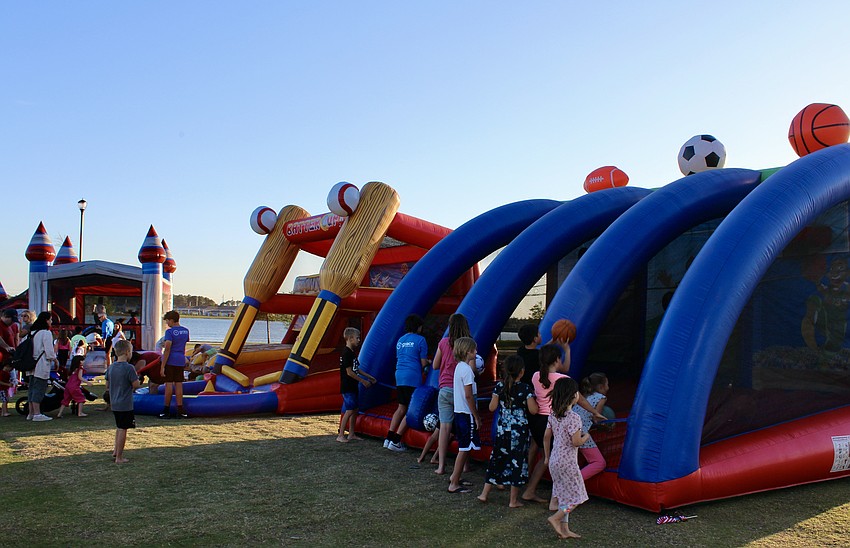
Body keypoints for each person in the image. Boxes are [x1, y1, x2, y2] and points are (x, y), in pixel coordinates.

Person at [523, 343, 604, 505]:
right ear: (557, 360)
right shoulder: (563, 380)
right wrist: (595, 412)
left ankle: (531, 490)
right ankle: (546, 495)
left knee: (546, 457)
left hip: (538, 420)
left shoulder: (535, 376)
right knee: (558, 460)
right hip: (554, 419)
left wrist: (565, 350)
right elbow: (581, 400)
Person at [477, 354, 539, 507]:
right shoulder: (525, 389)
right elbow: (533, 410)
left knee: (497, 459)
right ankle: (513, 500)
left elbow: (492, 407)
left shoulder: (499, 386)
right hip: (519, 433)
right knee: (517, 462)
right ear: (522, 372)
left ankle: (484, 493)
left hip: (502, 431)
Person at [544, 377, 589, 539]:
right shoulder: (574, 418)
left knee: (564, 495)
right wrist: (586, 436)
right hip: (568, 463)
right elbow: (576, 442)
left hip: (555, 461)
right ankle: (556, 518)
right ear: (573, 395)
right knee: (578, 496)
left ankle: (565, 530)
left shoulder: (553, 414)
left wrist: (547, 457)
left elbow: (546, 437)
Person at [431, 313, 471, 474]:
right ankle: (465, 465)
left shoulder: (443, 343)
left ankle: (441, 466)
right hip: (461, 389)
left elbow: (435, 365)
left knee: (444, 428)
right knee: (464, 426)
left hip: (445, 388)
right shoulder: (468, 344)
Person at [384, 314, 430, 451]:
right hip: (412, 376)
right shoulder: (421, 340)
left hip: (400, 375)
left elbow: (402, 358)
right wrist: (430, 363)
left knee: (401, 407)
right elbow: (422, 363)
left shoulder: (400, 340)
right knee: (411, 410)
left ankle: (388, 438)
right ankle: (396, 441)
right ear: (418, 327)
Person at [447, 337, 480, 494]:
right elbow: (469, 396)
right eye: (474, 350)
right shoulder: (467, 370)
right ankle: (454, 483)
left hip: (459, 412)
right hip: (466, 414)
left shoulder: (459, 367)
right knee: (465, 448)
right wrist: (476, 416)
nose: (476, 352)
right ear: (468, 351)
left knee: (464, 446)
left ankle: (456, 476)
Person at [337, 327, 376, 443]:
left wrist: (369, 377)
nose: (359, 340)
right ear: (350, 338)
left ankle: (351, 434)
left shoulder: (352, 353)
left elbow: (357, 369)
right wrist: (363, 381)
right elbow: (349, 372)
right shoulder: (346, 353)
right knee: (349, 410)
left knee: (355, 410)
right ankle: (340, 435)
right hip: (347, 387)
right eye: (357, 338)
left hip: (353, 386)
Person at [106, 340, 140, 464]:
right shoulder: (129, 368)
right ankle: (119, 457)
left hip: (114, 403)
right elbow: (136, 385)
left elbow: (107, 384)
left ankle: (116, 451)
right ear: (127, 352)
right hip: (125, 404)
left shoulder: (111, 367)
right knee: (123, 429)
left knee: (119, 427)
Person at [572, 372, 610, 481]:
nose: (608, 387)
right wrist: (607, 424)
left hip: (571, 428)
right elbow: (596, 417)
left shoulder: (586, 396)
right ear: (601, 386)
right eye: (607, 384)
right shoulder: (601, 397)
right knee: (599, 462)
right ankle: (574, 482)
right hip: (581, 431)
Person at [159, 310, 190, 419]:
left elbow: (167, 348)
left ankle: (166, 409)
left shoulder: (170, 332)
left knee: (168, 384)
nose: (167, 323)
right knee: (179, 384)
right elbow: (184, 345)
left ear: (171, 320)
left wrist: (162, 366)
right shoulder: (186, 331)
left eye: (167, 321)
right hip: (180, 359)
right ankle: (180, 409)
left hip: (171, 360)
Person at [28, 311, 57, 422]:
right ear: (46, 320)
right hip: (41, 364)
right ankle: (37, 413)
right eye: (50, 319)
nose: (51, 322)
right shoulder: (46, 333)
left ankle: (31, 413)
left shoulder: (32, 332)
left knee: (32, 388)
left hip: (31, 364)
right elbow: (49, 351)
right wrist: (55, 359)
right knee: (39, 388)